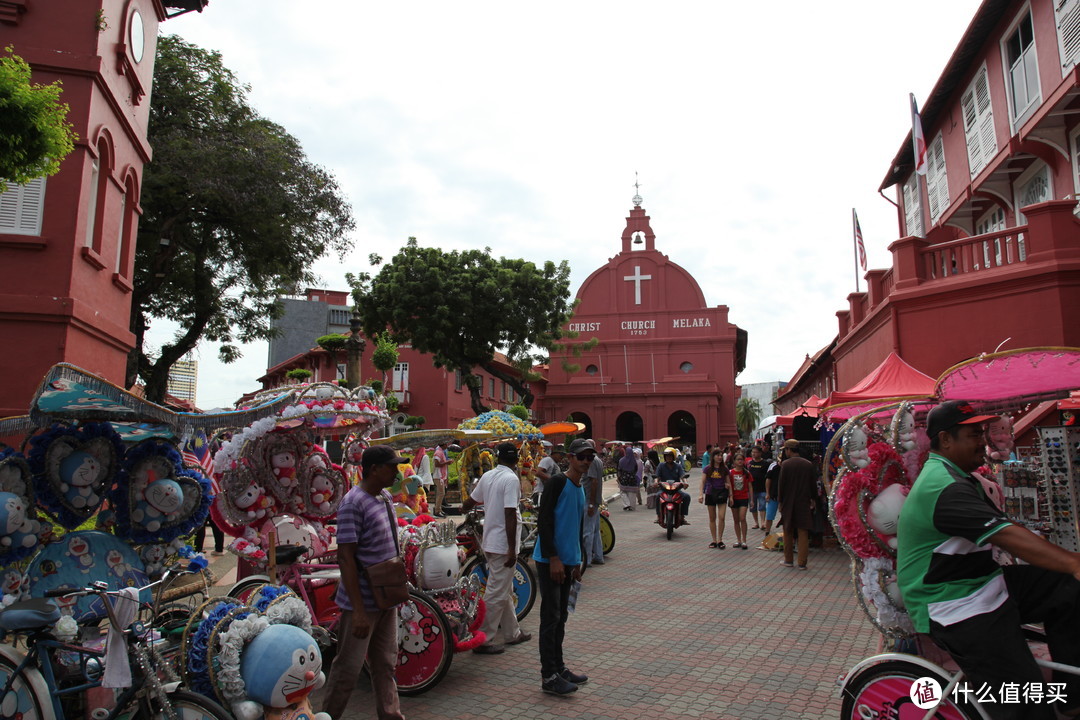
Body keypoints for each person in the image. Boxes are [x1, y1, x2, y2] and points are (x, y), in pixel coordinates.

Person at [897, 400, 1080, 720]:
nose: (983, 440)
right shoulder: (942, 486)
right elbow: (1007, 535)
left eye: (983, 432)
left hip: (983, 582)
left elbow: (1009, 529)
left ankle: (1071, 697)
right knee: (1025, 703)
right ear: (945, 439)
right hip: (953, 602)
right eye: (973, 434)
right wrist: (1074, 562)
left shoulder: (960, 476)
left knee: (1068, 588)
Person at [322, 445, 407, 720]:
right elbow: (345, 558)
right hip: (363, 602)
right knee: (348, 668)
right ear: (373, 469)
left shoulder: (383, 496)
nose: (397, 471)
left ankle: (391, 715)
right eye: (392, 466)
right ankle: (328, 716)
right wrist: (357, 611)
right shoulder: (352, 503)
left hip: (386, 597)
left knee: (385, 664)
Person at [534, 438, 592, 696]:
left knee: (562, 617)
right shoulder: (557, 482)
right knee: (550, 617)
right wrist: (554, 558)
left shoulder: (580, 487)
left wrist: (578, 561)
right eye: (581, 456)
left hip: (569, 561)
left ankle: (559, 667)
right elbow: (544, 521)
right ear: (570, 457)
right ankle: (549, 676)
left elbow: (577, 526)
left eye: (590, 457)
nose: (586, 461)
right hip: (550, 561)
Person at [462, 442, 531, 654]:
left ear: (497, 457)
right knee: (495, 592)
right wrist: (512, 549)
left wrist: (462, 508)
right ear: (516, 459)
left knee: (504, 589)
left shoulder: (488, 476)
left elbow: (471, 500)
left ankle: (512, 633)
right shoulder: (511, 479)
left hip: (491, 540)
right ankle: (483, 639)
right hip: (503, 544)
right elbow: (510, 513)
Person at [776, 439, 815, 570]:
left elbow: (781, 485)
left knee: (788, 530)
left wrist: (780, 501)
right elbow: (812, 485)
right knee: (803, 531)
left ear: (788, 450)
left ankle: (788, 559)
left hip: (788, 501)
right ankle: (802, 562)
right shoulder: (808, 464)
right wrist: (813, 499)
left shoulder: (785, 465)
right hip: (804, 501)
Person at [582, 441, 605, 566]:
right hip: (595, 499)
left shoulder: (591, 461)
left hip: (589, 498)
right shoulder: (598, 460)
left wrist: (591, 503)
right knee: (595, 530)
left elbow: (594, 481)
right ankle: (599, 556)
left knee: (587, 531)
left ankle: (587, 559)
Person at [699, 452, 729, 548]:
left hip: (722, 494)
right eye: (718, 455)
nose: (720, 457)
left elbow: (729, 483)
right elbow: (702, 481)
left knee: (722, 517)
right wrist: (700, 494)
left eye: (721, 456)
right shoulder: (707, 468)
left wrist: (731, 496)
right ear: (713, 457)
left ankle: (720, 539)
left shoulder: (724, 469)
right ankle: (714, 540)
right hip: (710, 493)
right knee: (712, 518)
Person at [655, 447, 690, 523]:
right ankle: (658, 516)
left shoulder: (678, 466)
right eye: (667, 456)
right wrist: (655, 482)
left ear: (674, 456)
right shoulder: (661, 465)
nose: (668, 458)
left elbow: (683, 476)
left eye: (670, 456)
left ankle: (682, 516)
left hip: (676, 489)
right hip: (664, 489)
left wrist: (685, 482)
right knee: (657, 496)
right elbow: (657, 477)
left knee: (686, 497)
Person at [726, 451, 750, 549]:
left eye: (741, 459)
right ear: (734, 461)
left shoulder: (746, 473)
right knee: (736, 520)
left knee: (742, 518)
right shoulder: (730, 472)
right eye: (738, 459)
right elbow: (728, 484)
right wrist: (730, 496)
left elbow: (750, 486)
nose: (740, 461)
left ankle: (744, 540)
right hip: (734, 498)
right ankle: (738, 540)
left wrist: (751, 500)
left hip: (744, 497)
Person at [746, 446, 769, 531]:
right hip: (751, 489)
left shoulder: (765, 464)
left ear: (760, 453)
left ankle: (763, 522)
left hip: (762, 488)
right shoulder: (749, 463)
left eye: (755, 452)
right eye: (752, 452)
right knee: (753, 506)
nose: (754, 454)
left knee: (762, 505)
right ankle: (756, 522)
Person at [616, 446, 640, 511]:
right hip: (632, 478)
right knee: (631, 492)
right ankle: (632, 506)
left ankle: (626, 504)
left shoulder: (621, 460)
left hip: (624, 478)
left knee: (623, 491)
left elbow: (619, 469)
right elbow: (636, 469)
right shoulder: (634, 461)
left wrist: (619, 477)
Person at [431, 440, 450, 517]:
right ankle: (437, 511)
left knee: (441, 493)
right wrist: (447, 463)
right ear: (443, 444)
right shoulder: (438, 452)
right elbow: (437, 464)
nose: (447, 445)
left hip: (440, 476)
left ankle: (439, 509)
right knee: (440, 493)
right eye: (446, 443)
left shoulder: (440, 451)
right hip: (438, 476)